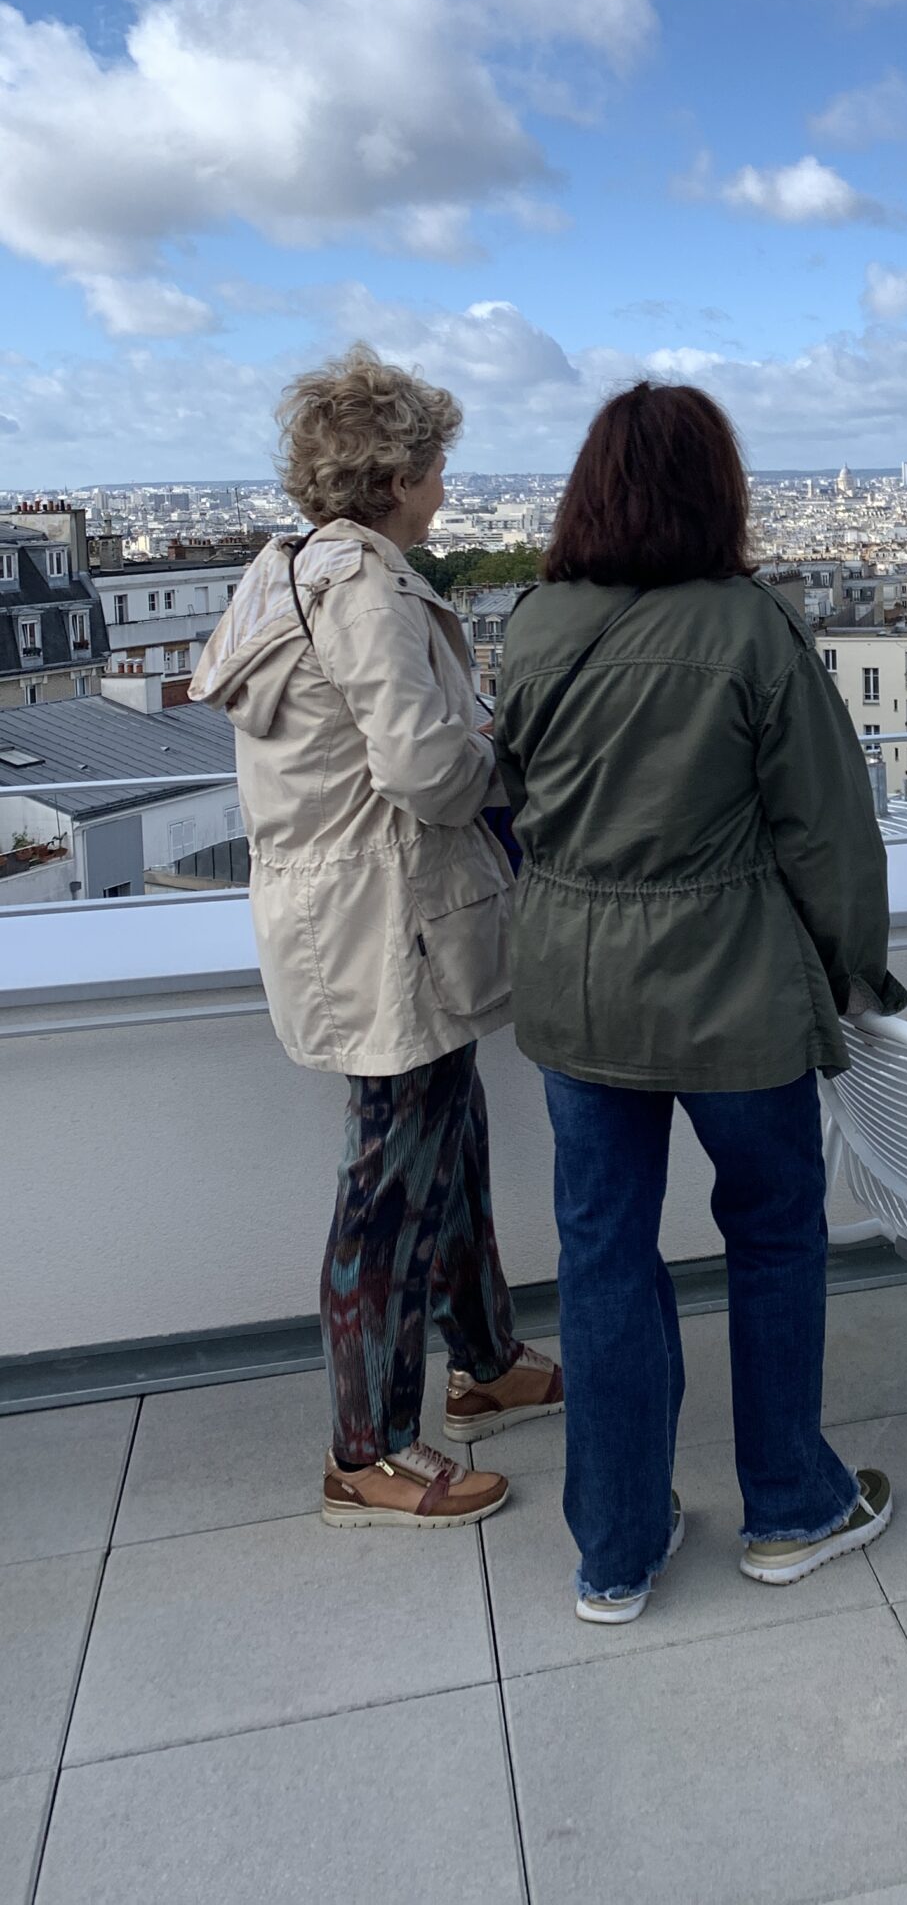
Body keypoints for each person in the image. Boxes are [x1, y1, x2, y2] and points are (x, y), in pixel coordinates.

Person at [493, 380, 906, 1623]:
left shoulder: (532, 622)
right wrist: (853, 970)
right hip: (734, 985)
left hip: (575, 984)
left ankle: (616, 1545)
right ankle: (790, 1502)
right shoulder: (751, 627)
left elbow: (509, 793)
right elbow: (830, 831)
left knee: (602, 1253)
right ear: (717, 490)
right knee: (774, 1231)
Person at [191, 344, 562, 1528]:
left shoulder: (285, 569)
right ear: (397, 472)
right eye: (437, 465)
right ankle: (368, 1448)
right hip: (383, 918)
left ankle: (488, 1360)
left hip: (342, 912)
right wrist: (501, 745)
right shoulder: (365, 586)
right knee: (390, 1181)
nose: (447, 487)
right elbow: (425, 770)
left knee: (445, 1143)